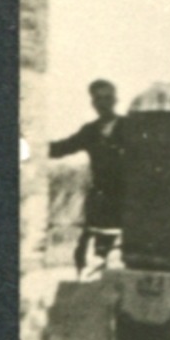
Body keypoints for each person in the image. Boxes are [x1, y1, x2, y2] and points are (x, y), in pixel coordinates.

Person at [49, 79, 128, 275]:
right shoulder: (90, 131)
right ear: (93, 103)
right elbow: (60, 149)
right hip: (100, 200)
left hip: (128, 200)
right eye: (98, 99)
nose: (103, 103)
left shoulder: (130, 127)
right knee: (88, 255)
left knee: (124, 254)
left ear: (116, 99)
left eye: (107, 98)